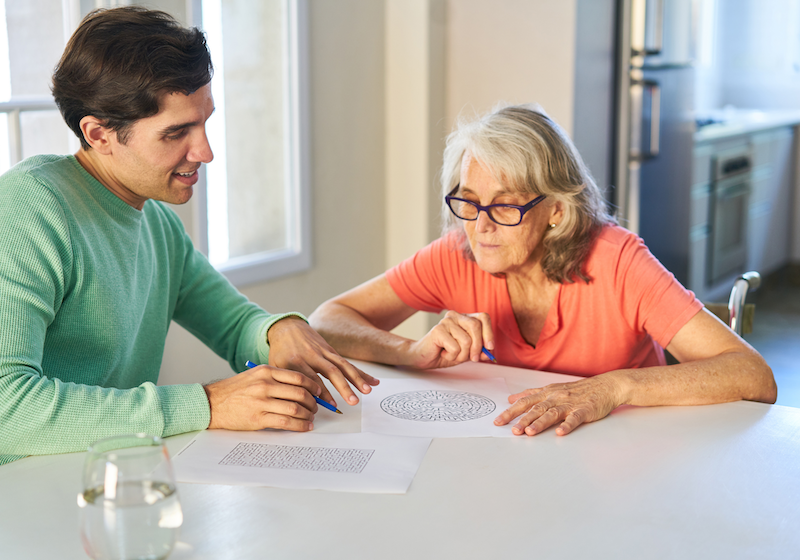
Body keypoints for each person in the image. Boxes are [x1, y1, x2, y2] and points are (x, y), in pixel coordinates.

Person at [0, 7, 377, 466]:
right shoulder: (29, 208)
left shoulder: (156, 224)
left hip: (106, 476)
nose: (205, 151)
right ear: (99, 134)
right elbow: (8, 408)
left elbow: (236, 324)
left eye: (204, 121)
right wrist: (209, 403)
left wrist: (279, 329)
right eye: (176, 132)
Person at [309, 104, 777, 437]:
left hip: (625, 462)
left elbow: (753, 376)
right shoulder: (457, 251)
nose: (481, 226)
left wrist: (612, 387)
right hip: (512, 457)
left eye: (506, 206)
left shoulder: (616, 260)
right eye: (468, 203)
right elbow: (327, 321)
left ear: (555, 210)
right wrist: (409, 352)